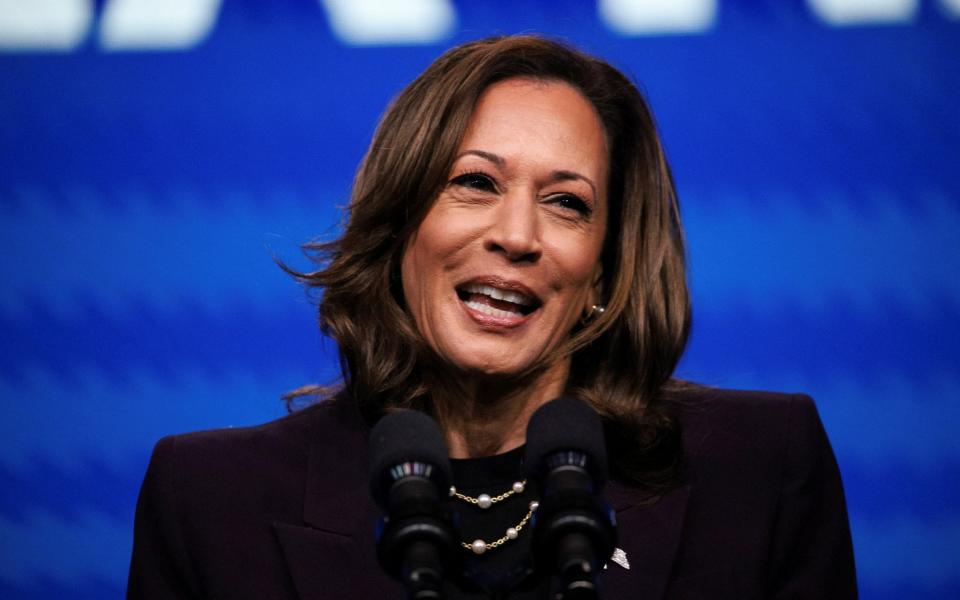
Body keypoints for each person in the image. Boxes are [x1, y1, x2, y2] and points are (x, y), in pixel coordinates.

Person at [127, 35, 856, 599]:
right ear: (399, 225)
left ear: (603, 267)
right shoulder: (213, 501)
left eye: (567, 202)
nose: (517, 236)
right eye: (475, 183)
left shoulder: (759, 470)